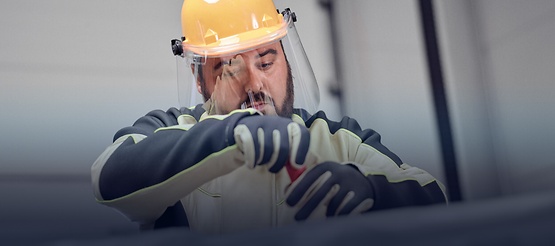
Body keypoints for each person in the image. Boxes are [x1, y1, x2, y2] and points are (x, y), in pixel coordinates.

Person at [91, 0, 447, 234]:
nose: (255, 83)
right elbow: (109, 178)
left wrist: (374, 190)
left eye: (266, 61)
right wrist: (229, 135)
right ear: (200, 81)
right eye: (229, 69)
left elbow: (436, 200)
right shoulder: (172, 130)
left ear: (287, 61)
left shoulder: (339, 141)